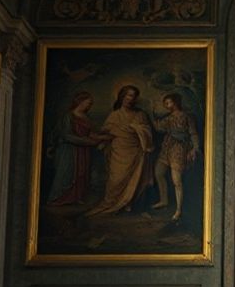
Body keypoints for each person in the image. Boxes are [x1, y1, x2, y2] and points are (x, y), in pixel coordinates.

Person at [85, 85, 154, 217]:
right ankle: (112, 203)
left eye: (133, 96)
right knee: (115, 180)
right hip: (119, 152)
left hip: (136, 152)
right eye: (128, 95)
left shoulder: (140, 114)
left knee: (137, 180)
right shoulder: (115, 115)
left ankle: (130, 205)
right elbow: (105, 130)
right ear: (122, 96)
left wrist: (136, 128)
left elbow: (147, 132)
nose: (130, 98)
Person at [48, 91, 110, 205]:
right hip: (69, 150)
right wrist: (91, 141)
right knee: (67, 172)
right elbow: (66, 135)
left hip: (83, 150)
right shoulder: (68, 116)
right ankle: (59, 198)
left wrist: (103, 137)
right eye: (88, 103)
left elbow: (90, 133)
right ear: (80, 102)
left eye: (90, 104)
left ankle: (76, 197)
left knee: (82, 173)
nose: (89, 106)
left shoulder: (86, 117)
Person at [151, 93, 200, 221]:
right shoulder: (168, 118)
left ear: (176, 102)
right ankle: (164, 200)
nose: (167, 106)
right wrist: (153, 115)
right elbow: (159, 128)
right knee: (158, 173)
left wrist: (195, 148)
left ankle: (178, 209)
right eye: (165, 104)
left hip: (179, 149)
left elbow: (193, 133)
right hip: (166, 149)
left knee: (176, 181)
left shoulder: (187, 116)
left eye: (169, 103)